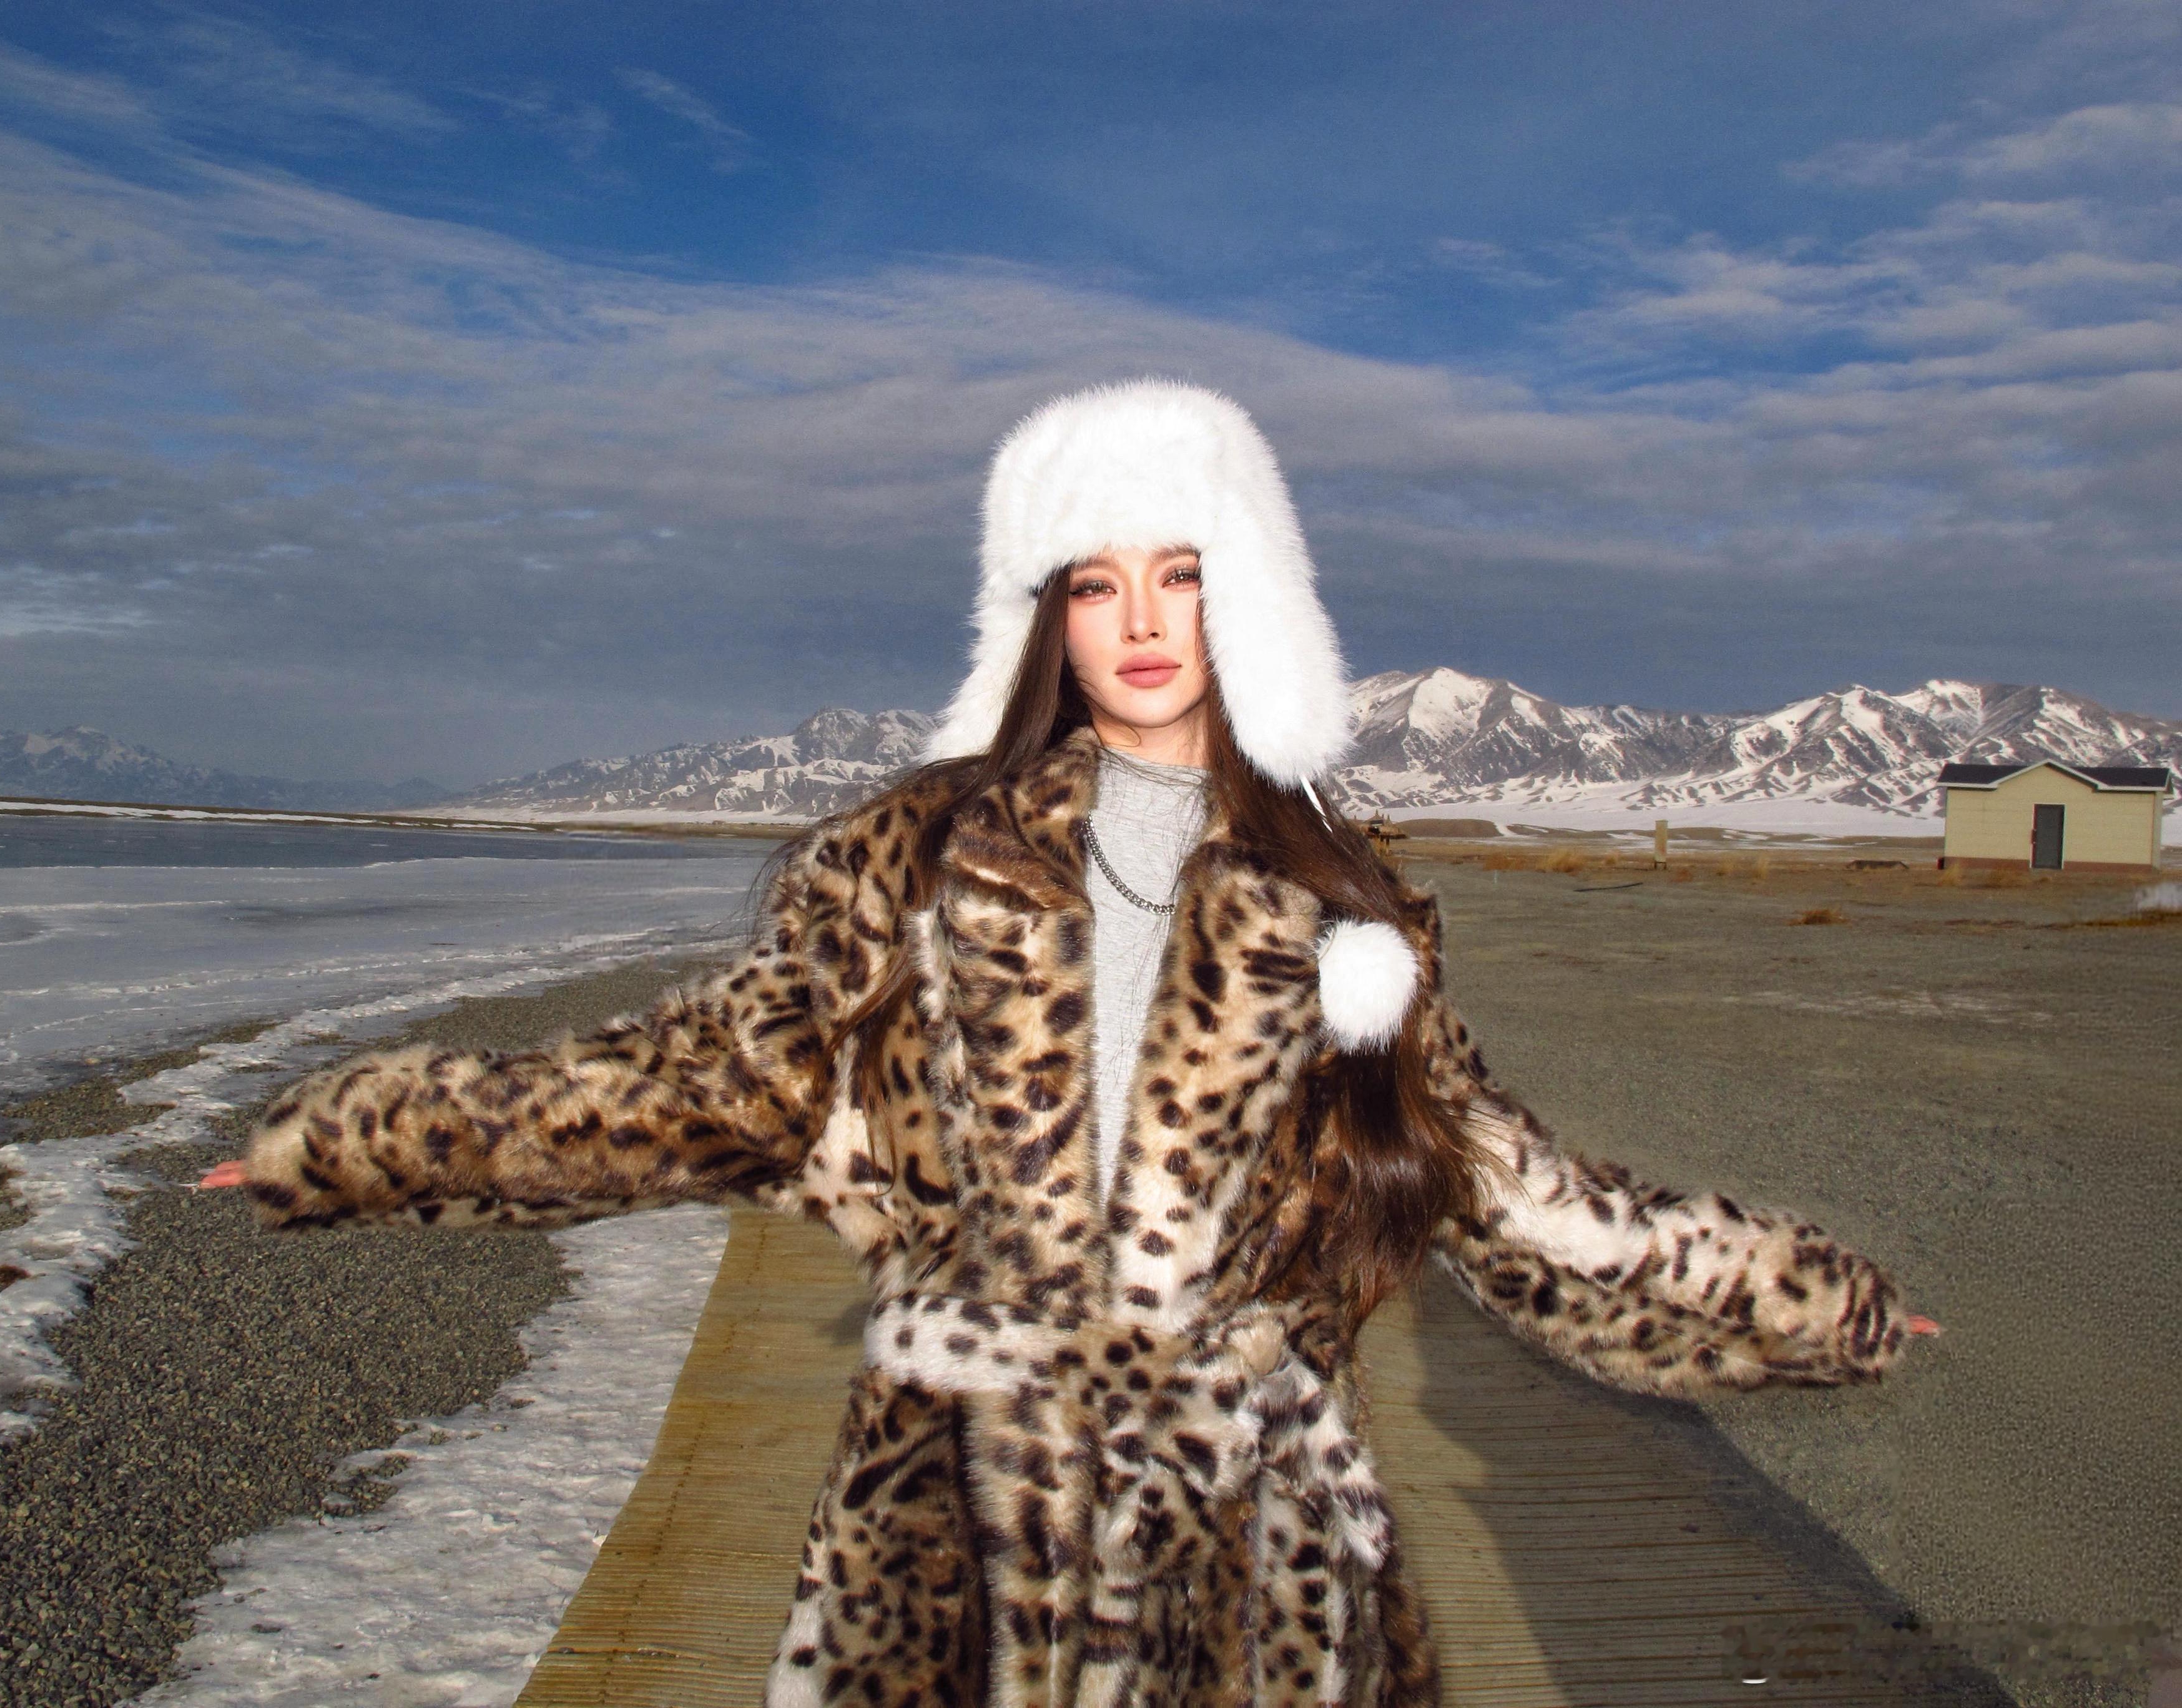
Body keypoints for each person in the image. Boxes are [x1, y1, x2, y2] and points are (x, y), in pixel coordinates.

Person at [207, 379, 1935, 1706]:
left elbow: (1515, 1196)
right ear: (1046, 613)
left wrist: (1810, 1301)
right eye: (1097, 583)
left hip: (1251, 1554)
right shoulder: (908, 863)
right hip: (951, 1537)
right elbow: (699, 1086)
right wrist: (353, 1140)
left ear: (1250, 598)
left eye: (1182, 574)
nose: (1143, 621)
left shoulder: (1345, 905)